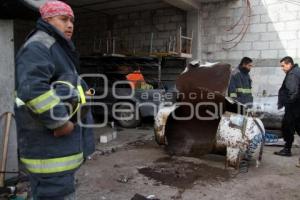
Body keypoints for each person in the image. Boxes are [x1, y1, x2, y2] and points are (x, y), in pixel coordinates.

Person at [14, 1, 94, 199]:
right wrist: (60, 122)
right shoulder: (40, 46)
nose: (70, 25)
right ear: (47, 20)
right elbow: (33, 89)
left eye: (72, 20)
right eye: (63, 19)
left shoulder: (58, 49)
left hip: (60, 151)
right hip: (49, 150)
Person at [274, 56, 300, 157]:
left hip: (293, 107)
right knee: (296, 127)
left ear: (289, 64)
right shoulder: (297, 71)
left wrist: (288, 104)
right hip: (297, 107)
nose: (282, 68)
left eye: (283, 66)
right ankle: (287, 148)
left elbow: (293, 92)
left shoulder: (292, 74)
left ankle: (287, 149)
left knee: (287, 127)